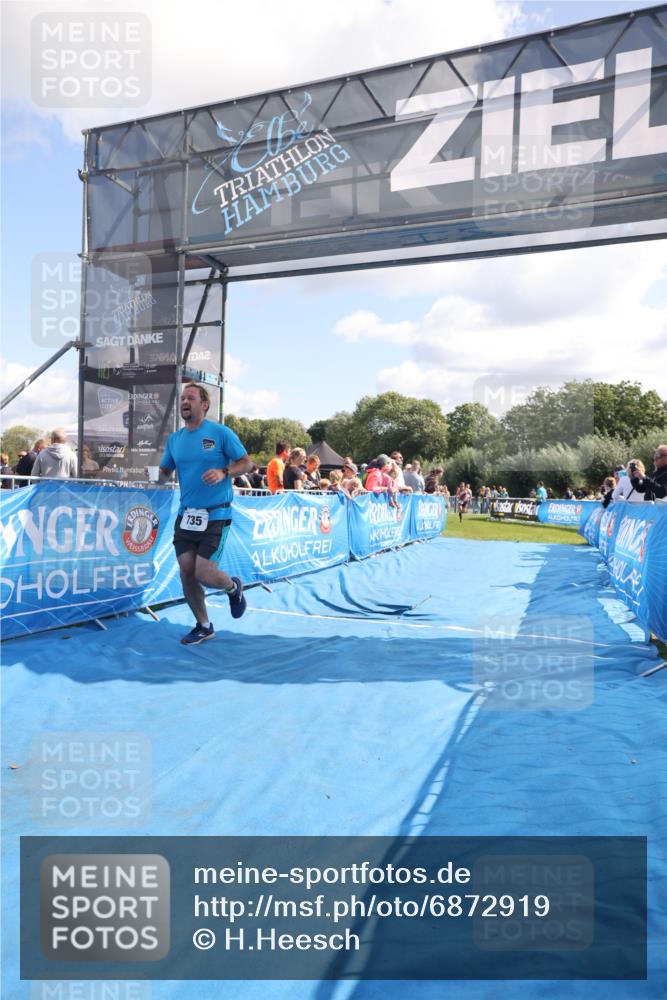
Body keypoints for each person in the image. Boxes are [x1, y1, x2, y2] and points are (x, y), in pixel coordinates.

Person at [154, 382, 253, 645]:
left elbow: (247, 463)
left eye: (191, 398)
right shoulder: (175, 439)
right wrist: (155, 475)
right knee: (186, 571)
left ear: (204, 405)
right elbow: (165, 474)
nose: (185, 401)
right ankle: (204, 624)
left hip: (216, 515)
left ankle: (233, 587)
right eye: (182, 398)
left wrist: (225, 472)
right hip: (187, 515)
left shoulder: (220, 433)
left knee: (205, 574)